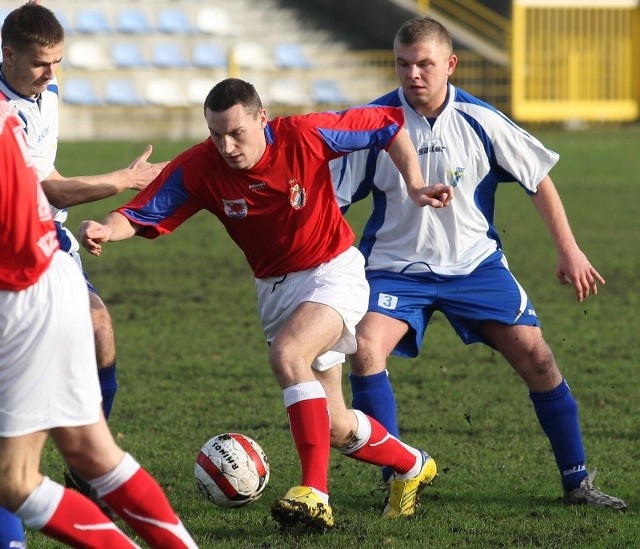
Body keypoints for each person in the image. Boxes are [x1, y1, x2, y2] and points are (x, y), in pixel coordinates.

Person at [78, 78, 454, 530]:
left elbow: (387, 124)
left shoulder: (305, 134)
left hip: (333, 272)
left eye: (237, 132)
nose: (227, 146)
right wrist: (104, 229)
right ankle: (413, 465)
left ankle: (315, 494)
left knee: (288, 354)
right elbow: (140, 212)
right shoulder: (201, 165)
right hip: (275, 292)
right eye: (217, 135)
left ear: (262, 118)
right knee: (334, 426)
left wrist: (414, 184)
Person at [331, 15, 627, 511]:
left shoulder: (480, 119)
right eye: (403, 65)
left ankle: (577, 482)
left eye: (425, 64)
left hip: (475, 267)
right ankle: (398, 477)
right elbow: (334, 201)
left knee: (538, 358)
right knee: (364, 350)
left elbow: (539, 179)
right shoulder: (373, 123)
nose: (413, 75)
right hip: (393, 269)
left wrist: (568, 249)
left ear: (450, 64)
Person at [0, 94, 198, 548]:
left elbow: (45, 189)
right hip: (52, 276)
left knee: (13, 479)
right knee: (93, 453)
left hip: (19, 296)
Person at [0, 2, 167, 515]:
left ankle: (88, 466)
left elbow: (46, 183)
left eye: (57, 62)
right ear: (7, 55)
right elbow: (53, 188)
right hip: (11, 248)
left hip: (47, 235)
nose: (52, 74)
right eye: (40, 63)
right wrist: (124, 179)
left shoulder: (43, 92)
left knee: (99, 331)